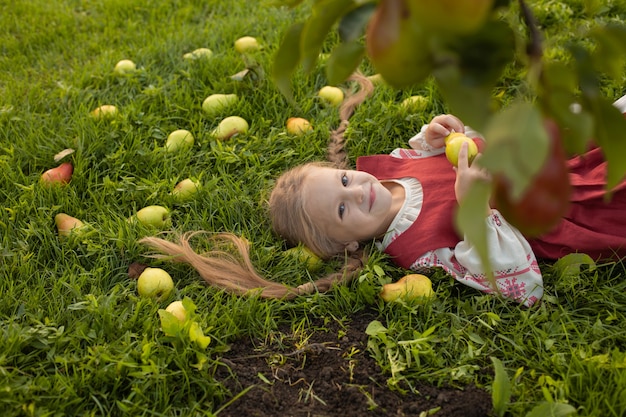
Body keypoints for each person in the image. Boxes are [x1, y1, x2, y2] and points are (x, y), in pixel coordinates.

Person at [140, 76, 626, 307]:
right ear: (348, 245)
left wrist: (434, 140)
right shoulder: (416, 250)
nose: (359, 192)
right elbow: (522, 283)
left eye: (346, 181)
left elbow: (424, 164)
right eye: (344, 210)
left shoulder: (392, 170)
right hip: (571, 204)